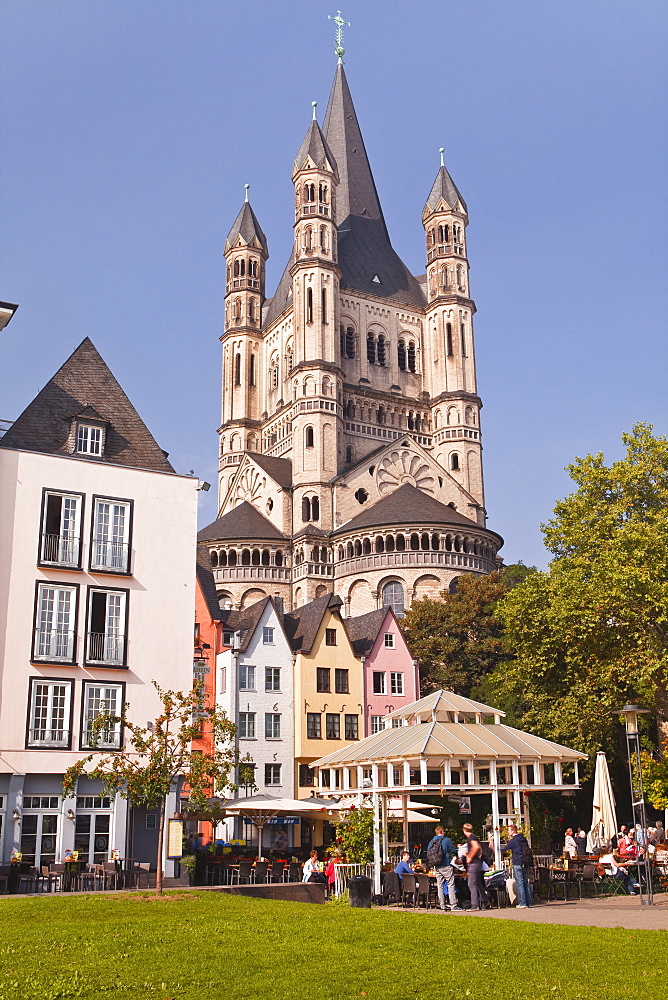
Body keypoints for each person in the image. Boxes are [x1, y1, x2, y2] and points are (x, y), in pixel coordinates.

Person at [427, 826, 461, 912]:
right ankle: (453, 905)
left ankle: (442, 905)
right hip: (445, 864)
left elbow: (428, 853)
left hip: (437, 866)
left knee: (440, 885)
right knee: (450, 884)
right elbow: (453, 850)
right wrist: (457, 854)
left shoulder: (432, 841)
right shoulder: (446, 840)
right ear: (442, 832)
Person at [500, 823, 533, 909]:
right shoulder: (523, 839)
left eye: (509, 831)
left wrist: (494, 847)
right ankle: (529, 902)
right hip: (525, 862)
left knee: (520, 883)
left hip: (517, 862)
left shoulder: (513, 841)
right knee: (526, 882)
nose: (508, 832)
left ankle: (522, 903)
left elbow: (503, 850)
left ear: (512, 831)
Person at [463, 823, 490, 910]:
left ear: (464, 830)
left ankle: (475, 904)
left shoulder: (472, 838)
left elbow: (476, 847)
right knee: (477, 883)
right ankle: (485, 901)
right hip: (478, 862)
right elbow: (479, 849)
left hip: (474, 863)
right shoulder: (474, 837)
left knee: (471, 884)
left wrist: (470, 857)